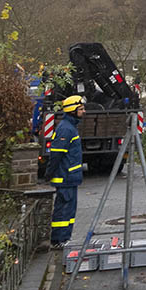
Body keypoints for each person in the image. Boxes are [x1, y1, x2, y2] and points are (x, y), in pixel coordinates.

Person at [48, 95, 86, 248]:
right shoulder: (66, 129)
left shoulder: (70, 127)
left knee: (69, 211)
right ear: (72, 110)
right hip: (65, 178)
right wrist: (49, 173)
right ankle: (59, 240)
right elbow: (56, 154)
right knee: (63, 210)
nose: (84, 111)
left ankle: (64, 238)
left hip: (70, 178)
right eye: (81, 109)